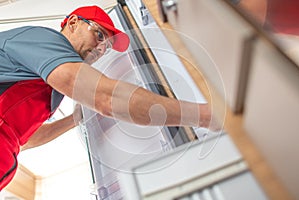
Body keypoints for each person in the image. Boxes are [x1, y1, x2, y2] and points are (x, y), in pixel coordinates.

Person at [0, 5, 219, 190]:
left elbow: (25, 140)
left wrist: (76, 118)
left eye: (107, 47)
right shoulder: (43, 40)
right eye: (99, 35)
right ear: (73, 23)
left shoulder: (48, 83)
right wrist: (205, 115)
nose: (101, 48)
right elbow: (106, 97)